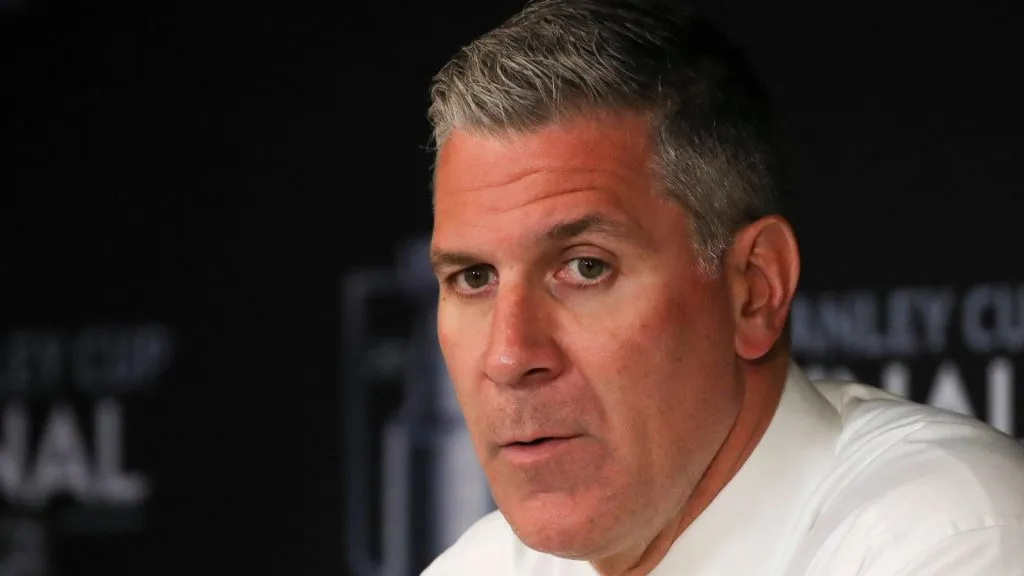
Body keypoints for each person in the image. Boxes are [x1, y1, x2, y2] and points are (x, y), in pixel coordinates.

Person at [422, 1, 1024, 574]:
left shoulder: (953, 536)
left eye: (585, 268)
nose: (509, 355)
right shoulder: (477, 568)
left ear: (754, 289)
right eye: (473, 278)